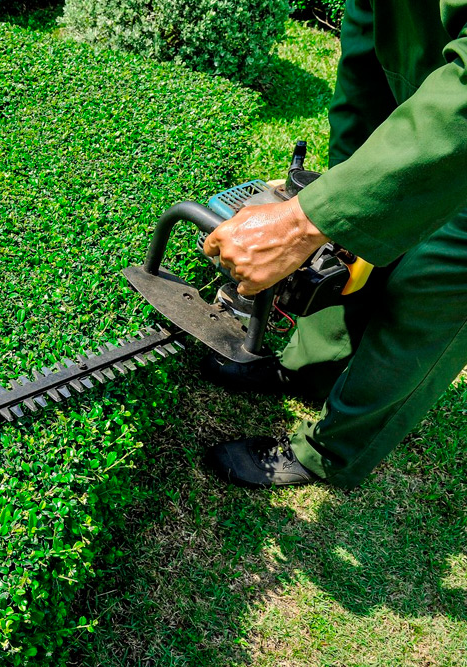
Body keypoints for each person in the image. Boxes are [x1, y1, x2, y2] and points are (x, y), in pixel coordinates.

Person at [200, 0, 467, 489]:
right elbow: (371, 33)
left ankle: (330, 452)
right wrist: (343, 197)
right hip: (434, 96)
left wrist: (303, 223)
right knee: (347, 241)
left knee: (430, 288)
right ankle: (312, 368)